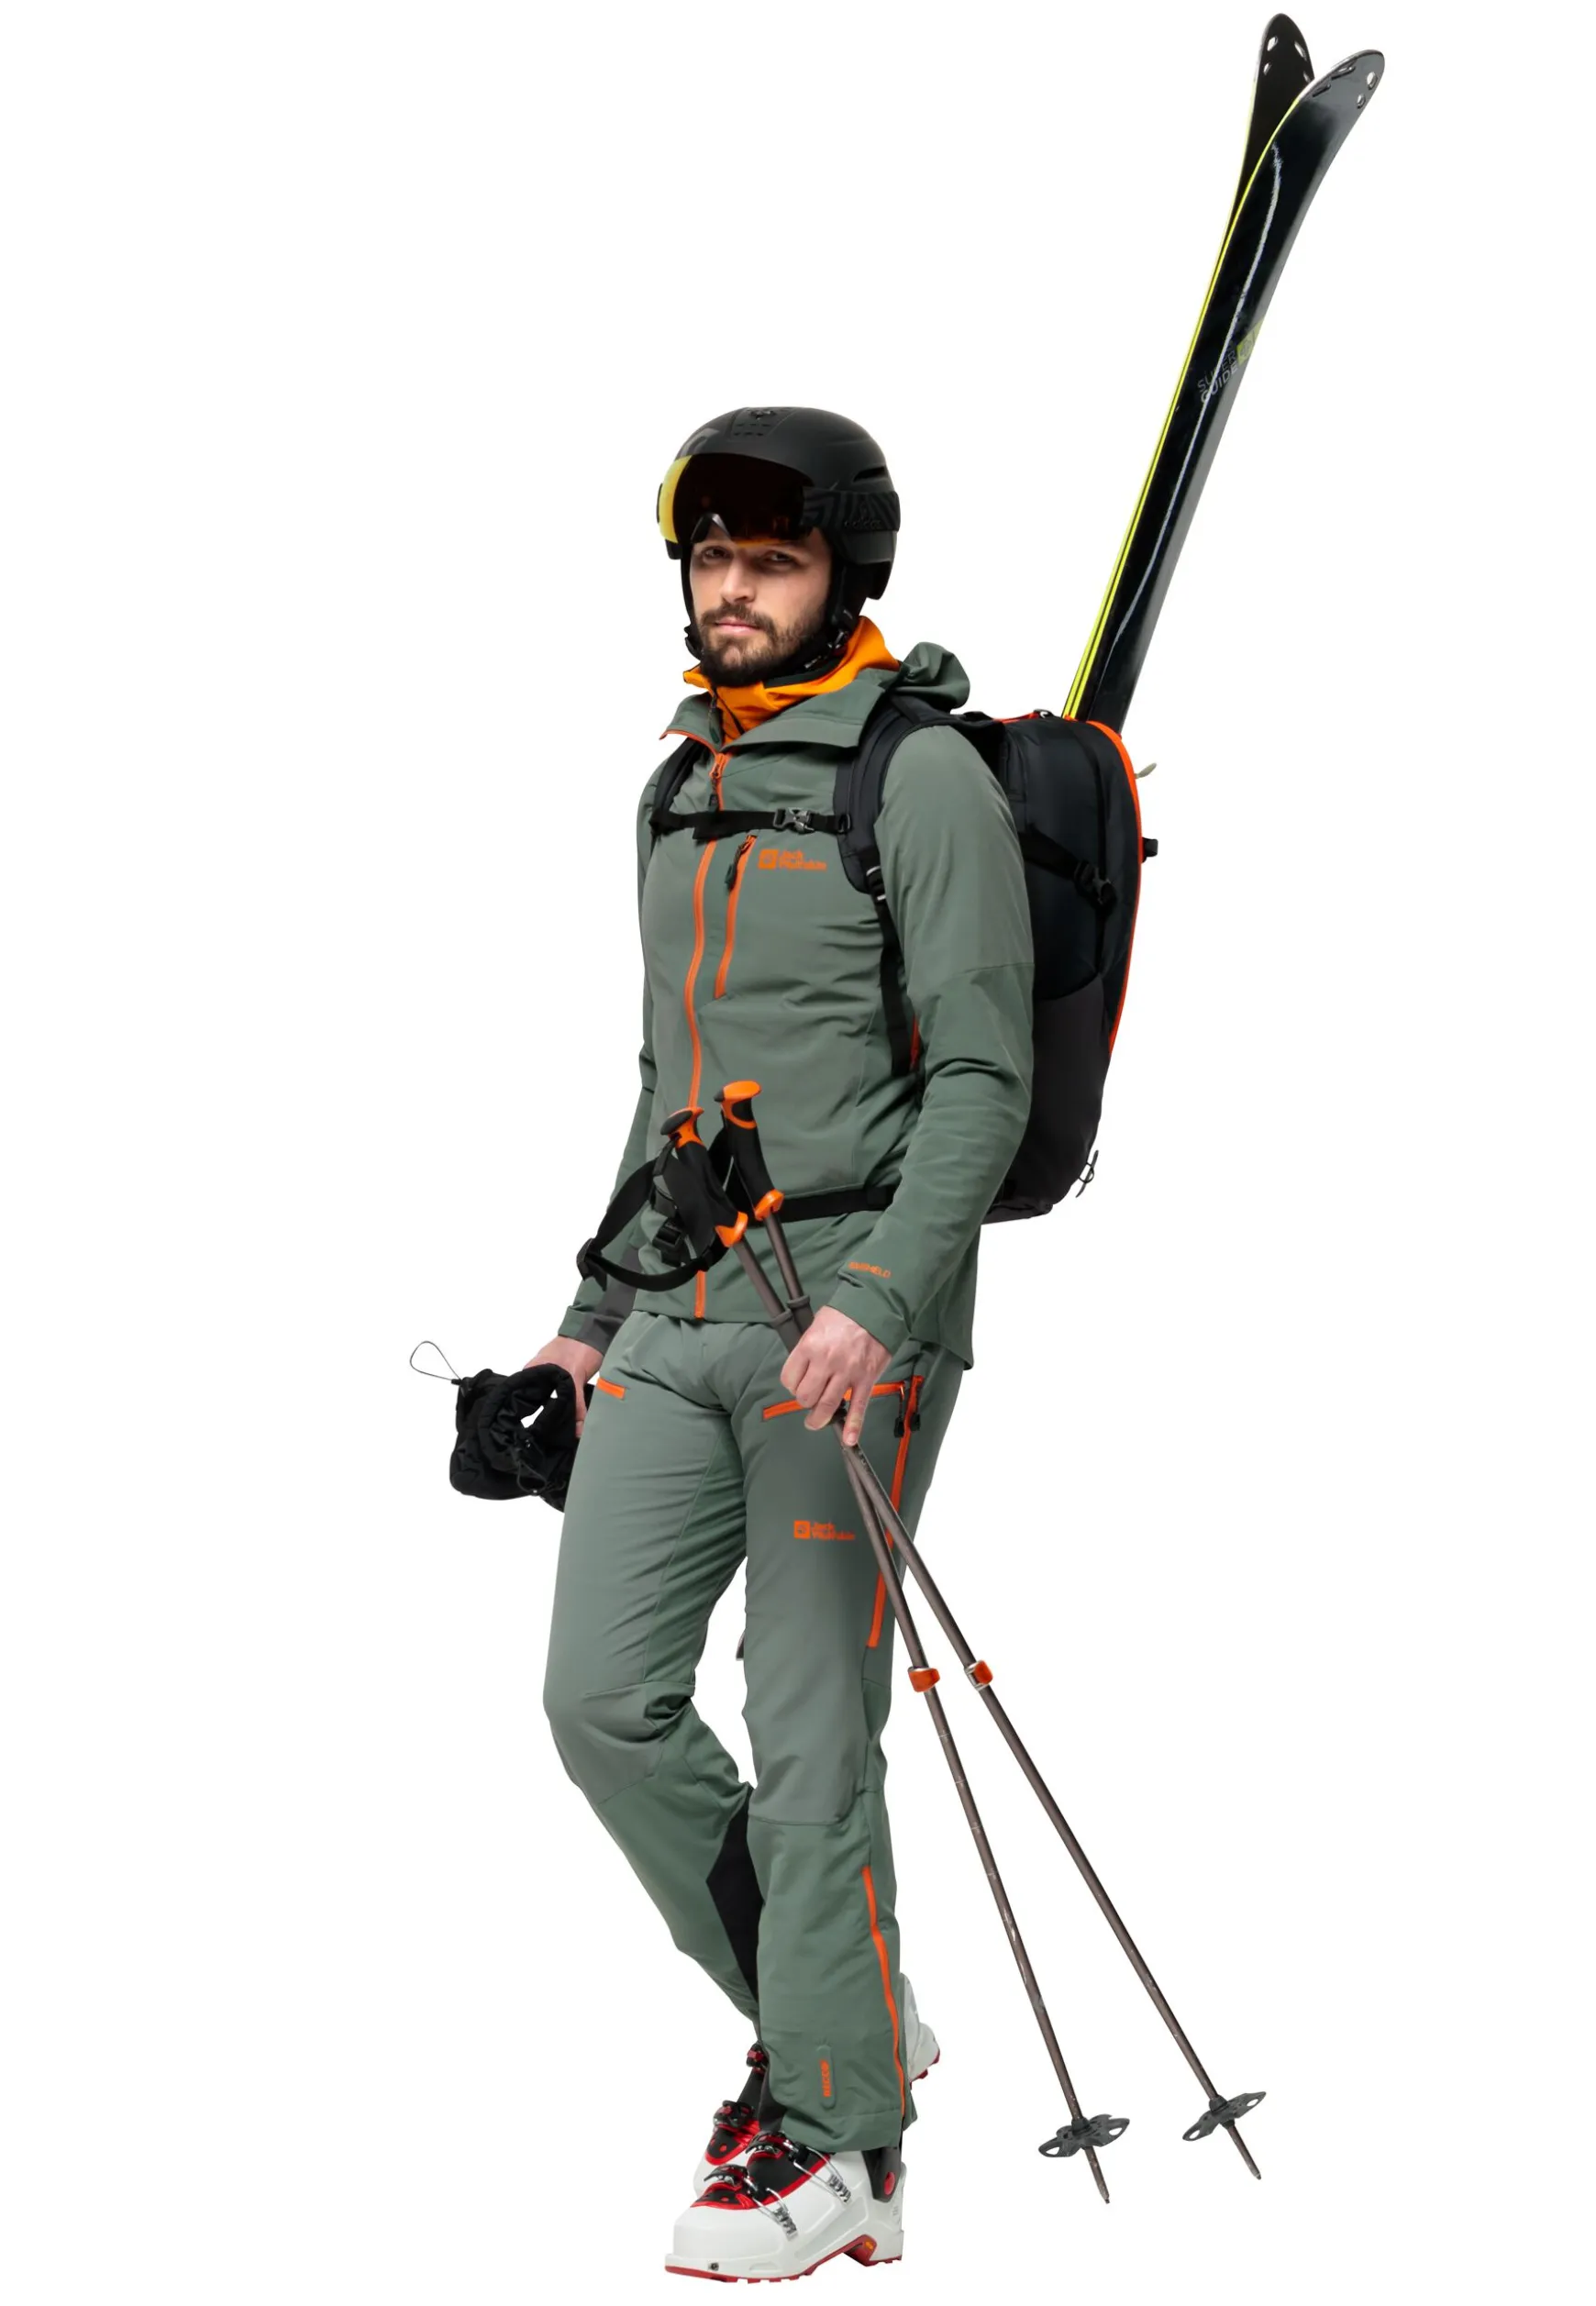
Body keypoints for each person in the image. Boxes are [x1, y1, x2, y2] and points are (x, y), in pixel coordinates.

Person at [527, 407, 1033, 2279]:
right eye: (711, 557)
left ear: (844, 573)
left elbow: (983, 1081)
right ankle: (846, 2014)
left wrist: (879, 1301)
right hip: (679, 1309)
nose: (731, 589)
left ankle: (844, 2142)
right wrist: (585, 1322)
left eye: (772, 559)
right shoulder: (678, 787)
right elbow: (666, 1083)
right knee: (600, 1703)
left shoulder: (922, 781)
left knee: (813, 1733)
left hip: (848, 1323)